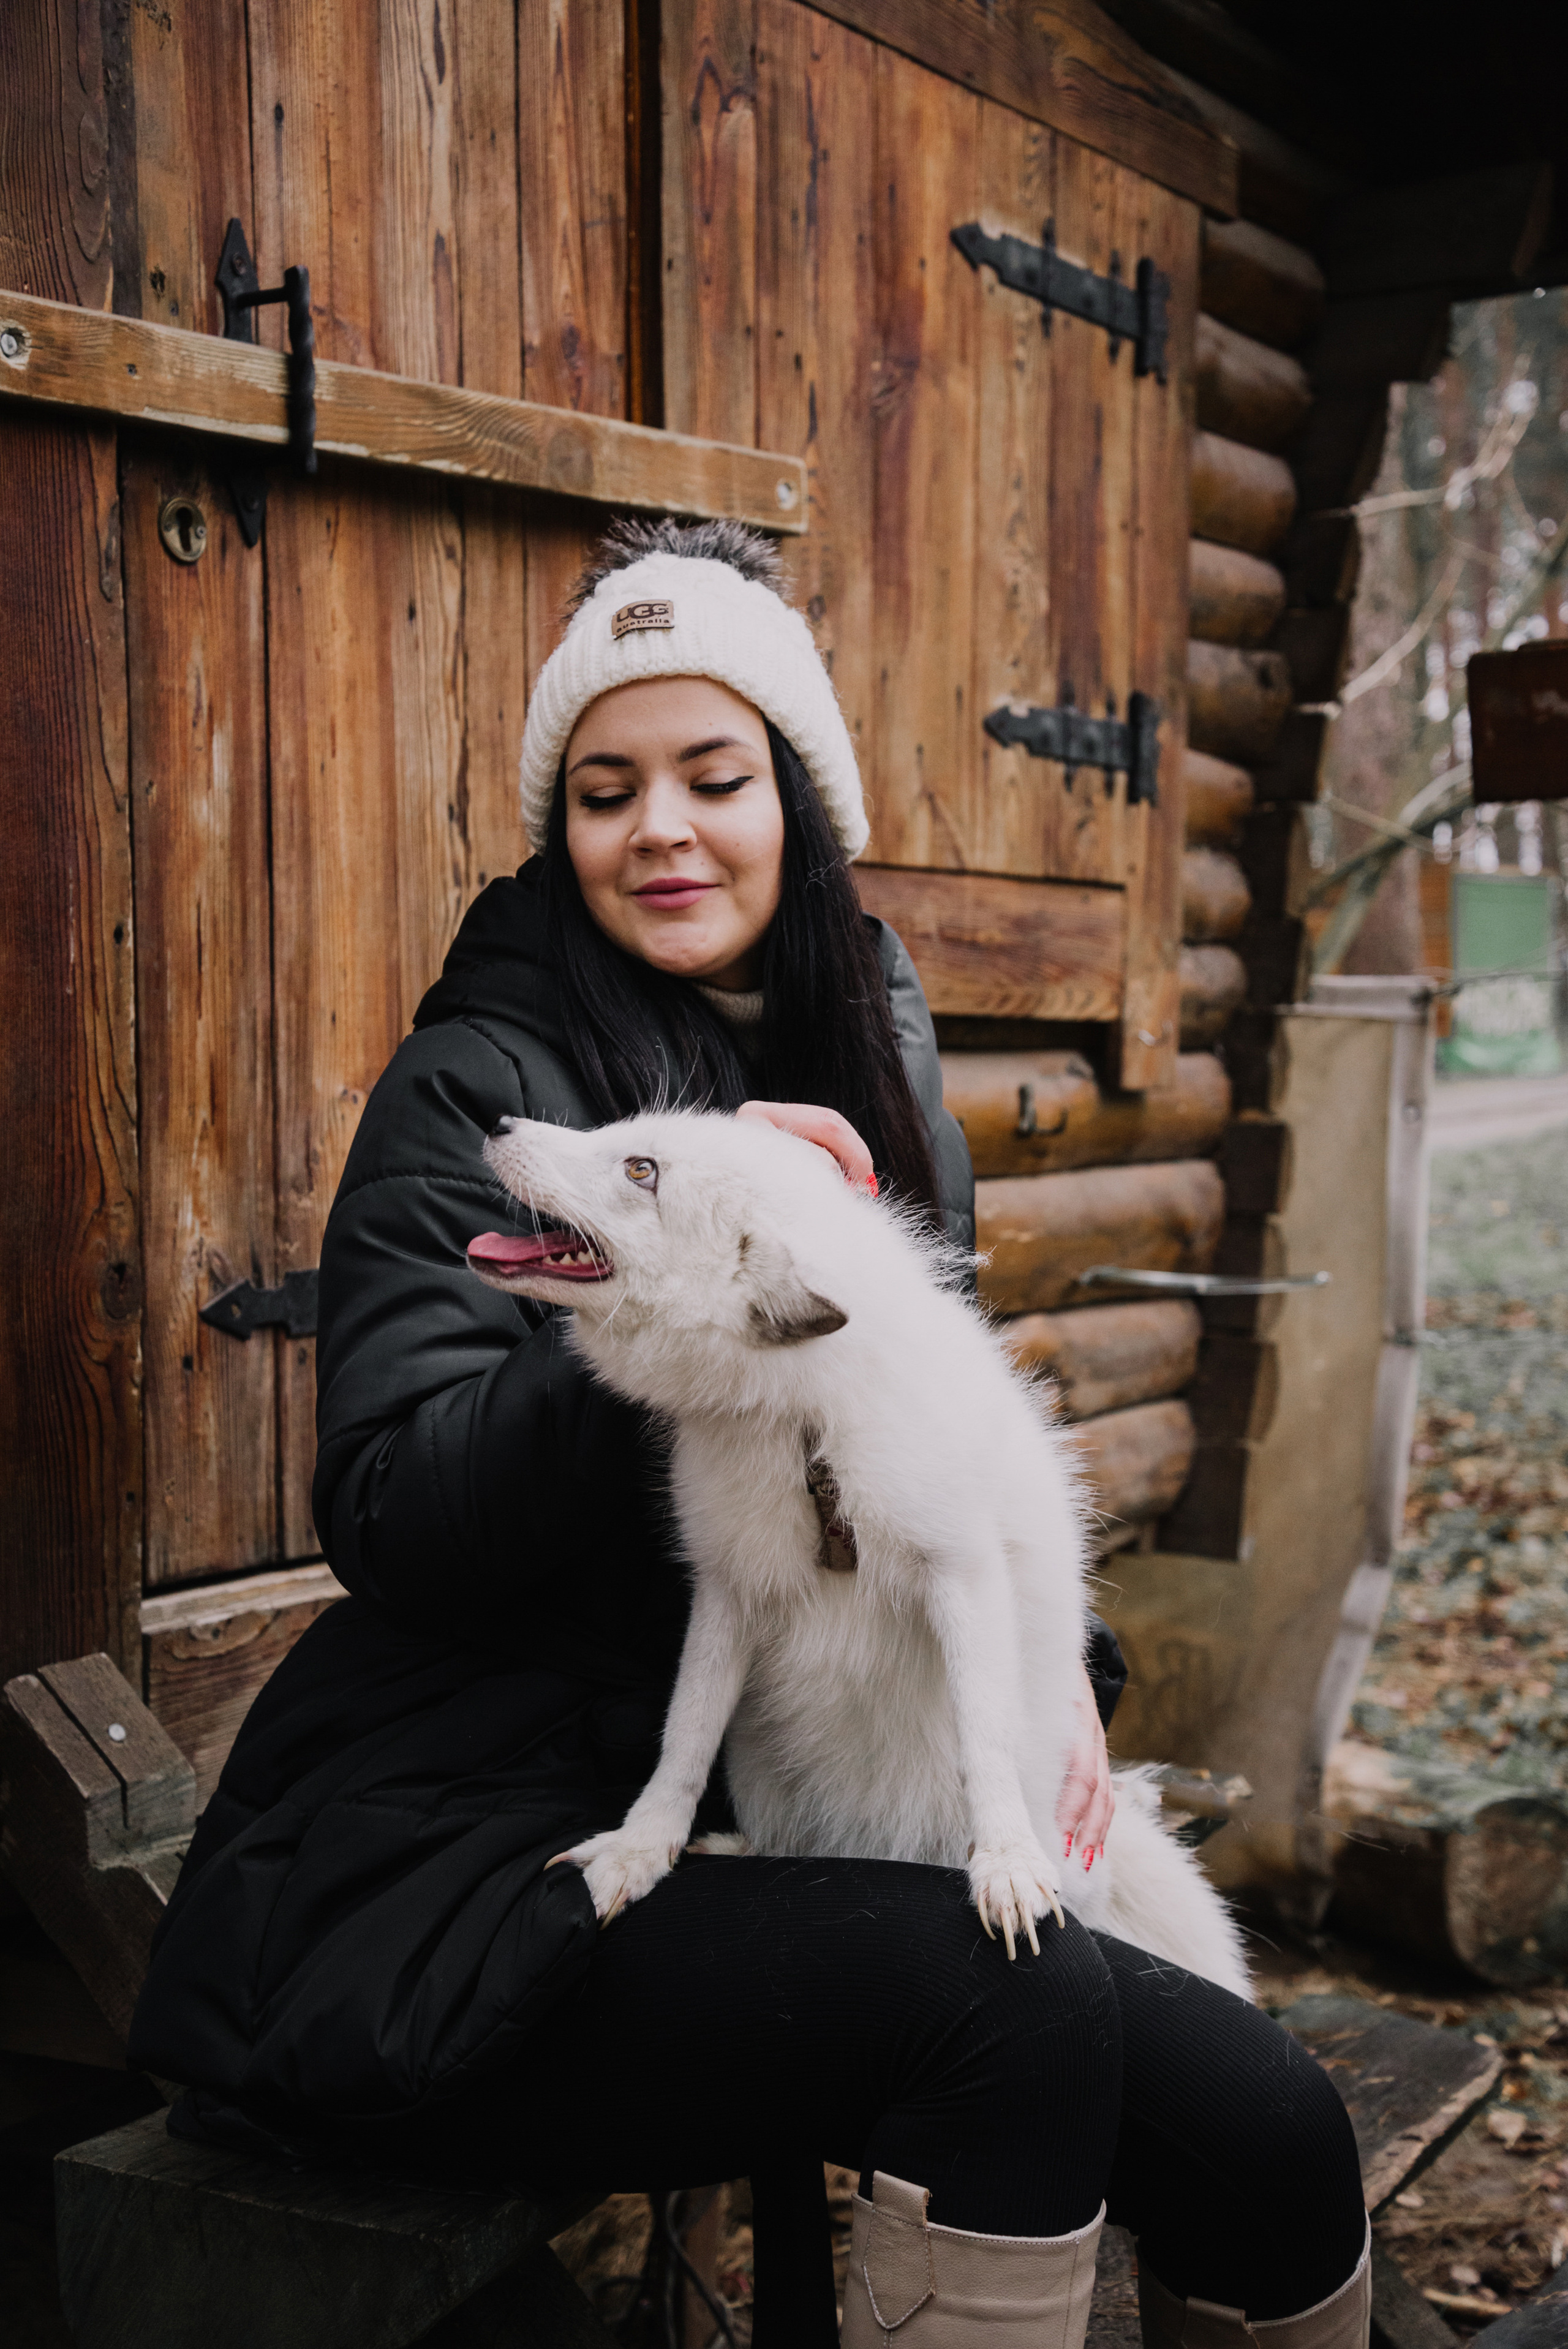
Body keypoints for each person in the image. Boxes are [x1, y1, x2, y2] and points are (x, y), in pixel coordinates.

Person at [130, 521, 1370, 2348]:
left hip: (812, 1810)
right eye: (609, 788)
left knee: (1272, 2122)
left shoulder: (865, 1032)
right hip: (490, 1864)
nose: (664, 830)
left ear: (794, 798)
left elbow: (939, 1430)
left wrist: (1066, 1664)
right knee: (1014, 2014)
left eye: (715, 776)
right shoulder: (485, 1082)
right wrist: (659, 1311)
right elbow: (392, 1505)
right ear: (565, 822)